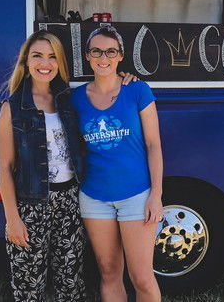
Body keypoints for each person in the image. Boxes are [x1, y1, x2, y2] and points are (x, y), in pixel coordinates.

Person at [71, 25, 164, 302]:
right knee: (109, 272)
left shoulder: (137, 90)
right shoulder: (75, 98)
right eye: (97, 51)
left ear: (120, 56)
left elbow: (153, 144)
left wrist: (156, 195)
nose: (104, 58)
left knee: (142, 277)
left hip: (136, 195)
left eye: (111, 52)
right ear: (87, 56)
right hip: (94, 197)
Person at [0, 30, 86, 301]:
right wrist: (13, 219)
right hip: (30, 206)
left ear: (60, 63)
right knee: (29, 285)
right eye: (37, 56)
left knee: (70, 281)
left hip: (69, 201)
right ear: (25, 62)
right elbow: (4, 168)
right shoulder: (12, 108)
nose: (45, 63)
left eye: (52, 56)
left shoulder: (69, 101)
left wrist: (127, 78)